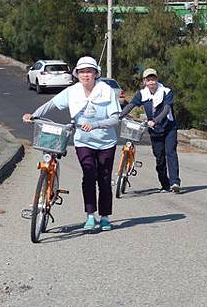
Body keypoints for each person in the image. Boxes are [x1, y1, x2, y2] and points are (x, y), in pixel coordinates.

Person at [22, 56, 121, 231]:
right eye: (82, 72)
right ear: (77, 74)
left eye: (89, 71)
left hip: (106, 142)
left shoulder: (106, 90)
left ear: (96, 73)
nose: (85, 75)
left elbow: (115, 118)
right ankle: (90, 216)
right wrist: (34, 115)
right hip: (83, 141)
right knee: (89, 175)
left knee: (104, 179)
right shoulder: (72, 91)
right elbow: (52, 104)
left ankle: (105, 216)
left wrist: (96, 125)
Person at [120, 68, 181, 193]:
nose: (151, 82)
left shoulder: (166, 91)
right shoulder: (142, 94)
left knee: (170, 152)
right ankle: (165, 184)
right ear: (144, 82)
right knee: (159, 157)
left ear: (157, 80)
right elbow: (131, 105)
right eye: (148, 80)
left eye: (153, 79)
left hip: (169, 127)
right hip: (155, 130)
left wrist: (155, 120)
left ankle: (175, 182)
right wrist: (119, 116)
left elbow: (166, 109)